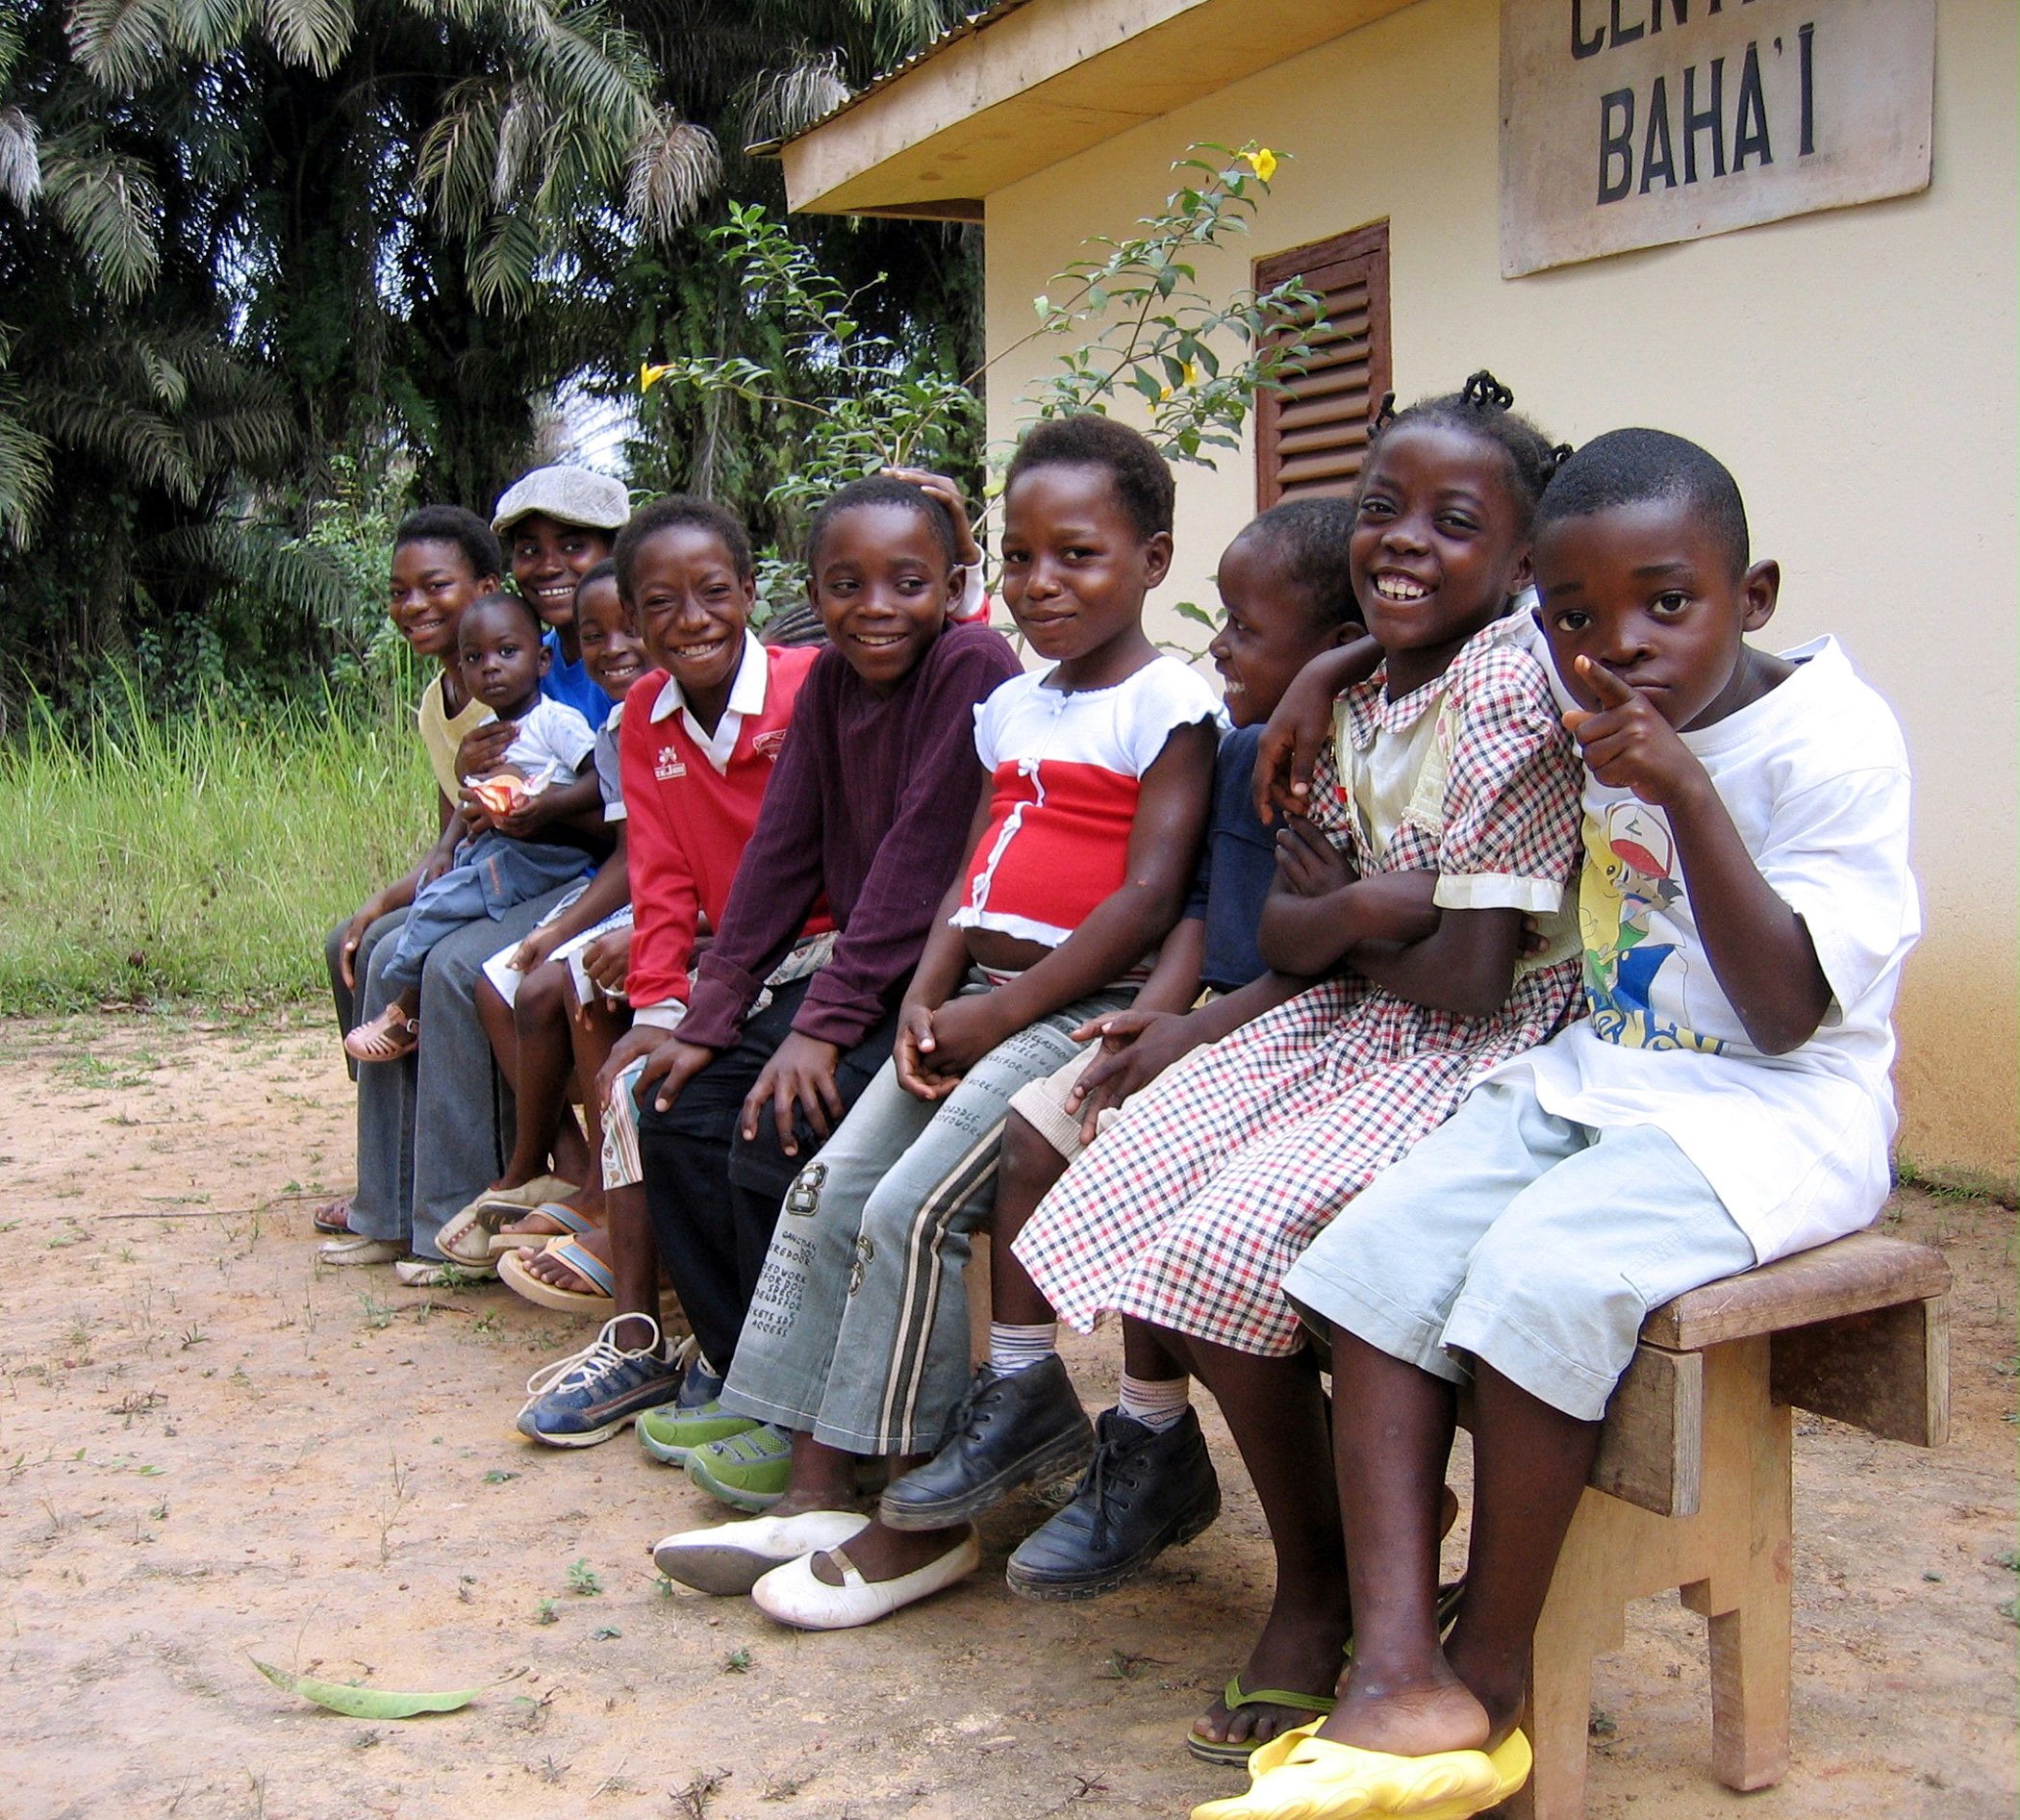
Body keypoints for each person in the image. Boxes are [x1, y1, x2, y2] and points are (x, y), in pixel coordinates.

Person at [1202, 432, 1918, 1820]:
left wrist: (1685, 791)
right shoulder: (1572, 672)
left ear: (1751, 594)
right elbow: (1456, 626)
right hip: (1607, 1072)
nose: (1618, 646)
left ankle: (1497, 1663)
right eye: (1578, 618)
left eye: (1667, 603)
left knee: (1539, 1280)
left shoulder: (1830, 739)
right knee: (1377, 1255)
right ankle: (1397, 1668)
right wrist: (1320, 668)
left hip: (1779, 1113)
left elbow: (1782, 1013)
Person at [1010, 374, 1588, 1769]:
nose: (1404, 539)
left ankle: (1320, 1584)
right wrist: (1372, 905)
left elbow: (1467, 974)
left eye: (1457, 522)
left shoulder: (1509, 687)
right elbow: (1286, 931)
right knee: (1144, 1188)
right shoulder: (1354, 693)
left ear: (1519, 565)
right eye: (1384, 508)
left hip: (1486, 1040)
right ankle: (1327, 1558)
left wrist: (1360, 924)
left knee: (1232, 1241)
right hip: (1355, 1021)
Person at [652, 415, 1223, 1630]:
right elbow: (969, 870)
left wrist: (999, 1009)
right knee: (834, 1187)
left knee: (914, 1210)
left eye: (1078, 556)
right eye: (1022, 558)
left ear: (1153, 561)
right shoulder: (1014, 704)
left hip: (1078, 1010)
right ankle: (816, 1485)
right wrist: (922, 993)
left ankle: (913, 1520)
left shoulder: (1169, 700)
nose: (1043, 583)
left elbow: (1149, 895)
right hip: (968, 1000)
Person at [877, 497, 1364, 1543]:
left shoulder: (1335, 764)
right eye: (1222, 618)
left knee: (1135, 1145)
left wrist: (1180, 1029)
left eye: (1243, 625)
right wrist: (1155, 1016)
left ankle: (1152, 1429)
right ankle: (1024, 1383)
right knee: (1046, 1123)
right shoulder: (1243, 749)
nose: (1220, 642)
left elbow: (1333, 957)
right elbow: (1193, 906)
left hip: (1294, 1033)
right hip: (1205, 1013)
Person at [509, 477, 1020, 1447]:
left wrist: (817, 1028)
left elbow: (916, 866)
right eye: (845, 584)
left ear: (949, 587)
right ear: (812, 593)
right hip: (857, 972)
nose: (874, 608)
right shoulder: (829, 683)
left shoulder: (969, 660)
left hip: (937, 979)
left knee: (776, 1127)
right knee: (674, 1107)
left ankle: (821, 1402)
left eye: (905, 582)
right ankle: (746, 1365)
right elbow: (778, 859)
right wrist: (699, 1024)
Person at [437, 562, 645, 1259]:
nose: (616, 647)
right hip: (634, 890)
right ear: (576, 650)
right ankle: (550, 1168)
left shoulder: (588, 728)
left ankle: (603, 1196)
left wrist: (564, 927)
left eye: (630, 627)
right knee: (508, 985)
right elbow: (631, 851)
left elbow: (637, 856)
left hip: (677, 906)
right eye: (597, 635)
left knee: (569, 983)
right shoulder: (618, 728)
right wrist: (559, 930)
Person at [316, 505, 501, 1241]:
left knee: (398, 952)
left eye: (434, 587)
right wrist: (385, 900)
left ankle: (428, 1188)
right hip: (474, 871)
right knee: (348, 944)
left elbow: (496, 825)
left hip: (530, 873)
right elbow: (447, 838)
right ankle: (389, 1174)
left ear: (486, 587)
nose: (414, 607)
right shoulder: (437, 702)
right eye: (399, 593)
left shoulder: (508, 679)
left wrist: (396, 906)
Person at [341, 591, 597, 1069]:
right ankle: (403, 1005)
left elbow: (600, 781)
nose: (491, 668)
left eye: (506, 652)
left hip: (545, 859)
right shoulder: (490, 732)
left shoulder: (555, 722)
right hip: (500, 847)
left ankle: (408, 1008)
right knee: (434, 889)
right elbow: (470, 796)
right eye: (475, 659)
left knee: (440, 903)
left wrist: (543, 805)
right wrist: (446, 844)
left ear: (542, 661)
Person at [491, 465, 631, 725]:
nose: (549, 567)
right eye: (530, 550)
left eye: (572, 547)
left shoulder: (642, 656)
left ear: (616, 552)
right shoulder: (527, 665)